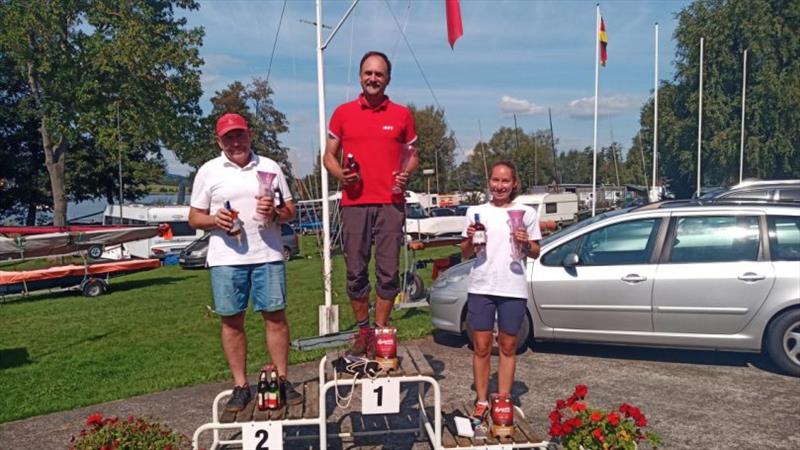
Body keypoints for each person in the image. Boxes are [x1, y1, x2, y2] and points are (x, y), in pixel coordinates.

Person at [188, 113, 303, 412]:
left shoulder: (270, 167)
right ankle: (240, 386)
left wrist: (276, 212)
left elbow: (291, 209)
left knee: (275, 317)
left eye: (240, 135)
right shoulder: (208, 171)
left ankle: (282, 380)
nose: (235, 142)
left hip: (268, 254)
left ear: (250, 135)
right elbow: (193, 218)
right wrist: (215, 220)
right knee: (231, 320)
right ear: (219, 141)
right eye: (229, 137)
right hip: (226, 259)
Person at [323, 51, 419, 356]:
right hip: (354, 203)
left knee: (389, 272)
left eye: (379, 74)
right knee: (355, 271)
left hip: (390, 203)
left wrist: (405, 173)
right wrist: (341, 175)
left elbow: (413, 155)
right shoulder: (343, 112)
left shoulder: (402, 114)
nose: (373, 78)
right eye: (368, 73)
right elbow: (328, 156)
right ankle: (363, 330)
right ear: (360, 76)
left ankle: (381, 331)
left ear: (388, 79)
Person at [460, 161, 542, 428]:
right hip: (482, 287)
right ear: (489, 182)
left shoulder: (526, 213)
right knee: (481, 347)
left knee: (508, 346)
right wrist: (469, 238)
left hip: (512, 287)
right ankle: (482, 400)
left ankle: (504, 398)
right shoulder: (475, 212)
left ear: (514, 183)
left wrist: (524, 241)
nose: (499, 186)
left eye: (505, 181)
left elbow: (535, 252)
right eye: (495, 180)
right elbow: (464, 253)